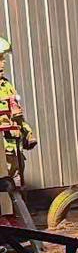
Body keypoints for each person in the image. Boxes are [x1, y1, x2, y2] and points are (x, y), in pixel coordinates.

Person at [0, 36, 37, 187]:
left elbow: (16, 115)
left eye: (3, 58)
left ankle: (18, 210)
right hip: (2, 153)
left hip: (14, 148)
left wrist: (27, 131)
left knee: (16, 188)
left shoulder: (6, 85)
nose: (3, 63)